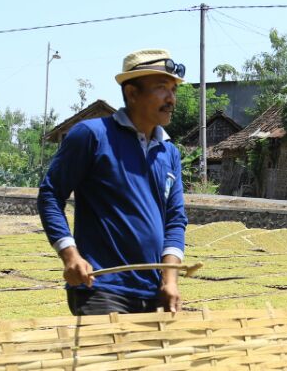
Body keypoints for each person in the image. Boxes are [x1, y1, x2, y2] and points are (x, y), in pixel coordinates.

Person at [37, 48, 188, 315]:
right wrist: (70, 256)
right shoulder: (92, 136)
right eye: (162, 88)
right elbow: (50, 194)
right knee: (111, 357)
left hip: (153, 291)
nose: (171, 99)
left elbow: (175, 220)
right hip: (101, 287)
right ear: (132, 93)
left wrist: (170, 280)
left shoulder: (169, 152)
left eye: (174, 90)